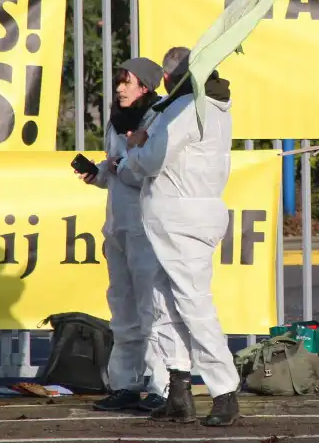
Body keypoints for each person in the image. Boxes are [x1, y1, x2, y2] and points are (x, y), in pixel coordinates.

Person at [118, 46, 241, 427]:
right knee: (166, 303)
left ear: (174, 78)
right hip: (178, 217)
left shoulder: (187, 108)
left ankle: (224, 391)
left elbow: (153, 160)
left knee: (191, 304)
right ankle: (179, 391)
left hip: (181, 217)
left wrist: (134, 152)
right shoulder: (206, 108)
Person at [77, 56, 170, 413]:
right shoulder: (119, 123)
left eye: (126, 82)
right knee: (123, 308)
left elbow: (147, 170)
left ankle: (162, 385)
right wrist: (97, 172)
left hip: (146, 226)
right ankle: (126, 383)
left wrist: (119, 166)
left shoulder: (158, 119)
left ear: (145, 86)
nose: (119, 88)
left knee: (154, 308)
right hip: (118, 226)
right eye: (119, 81)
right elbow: (113, 169)